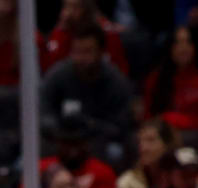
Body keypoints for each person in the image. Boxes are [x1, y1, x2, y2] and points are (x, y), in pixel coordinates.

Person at [39, 23, 133, 155]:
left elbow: (120, 126)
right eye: (76, 52)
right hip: (62, 140)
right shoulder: (58, 75)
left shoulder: (116, 82)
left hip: (99, 143)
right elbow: (43, 112)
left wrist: (89, 124)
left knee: (116, 151)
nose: (81, 58)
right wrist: (60, 127)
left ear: (101, 52)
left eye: (87, 52)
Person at [142, 25, 198, 138]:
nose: (183, 48)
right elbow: (149, 116)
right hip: (163, 141)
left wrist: (174, 120)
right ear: (169, 47)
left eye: (188, 42)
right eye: (177, 43)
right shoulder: (156, 78)